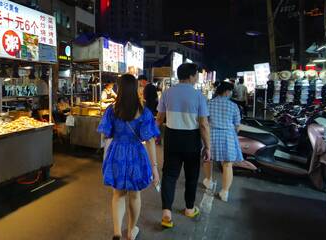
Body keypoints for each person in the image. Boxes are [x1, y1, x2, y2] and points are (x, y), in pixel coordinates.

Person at [97, 74, 160, 240]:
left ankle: (117, 232)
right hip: (136, 154)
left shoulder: (111, 110)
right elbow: (150, 140)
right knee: (134, 194)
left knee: (118, 194)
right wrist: (155, 168)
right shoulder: (143, 112)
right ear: (136, 89)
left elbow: (106, 134)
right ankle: (131, 231)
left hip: (117, 152)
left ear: (120, 88)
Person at [156, 63, 210, 228]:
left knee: (169, 175)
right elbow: (203, 124)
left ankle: (166, 212)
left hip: (172, 137)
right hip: (191, 139)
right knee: (192, 176)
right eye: (196, 75)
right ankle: (189, 208)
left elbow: (159, 119)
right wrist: (208, 146)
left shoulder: (167, 93)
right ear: (192, 76)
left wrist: (154, 136)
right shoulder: (198, 96)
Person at [202, 82, 243, 202]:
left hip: (212, 135)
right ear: (226, 92)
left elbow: (204, 122)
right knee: (227, 164)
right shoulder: (233, 106)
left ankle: (208, 181)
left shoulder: (209, 104)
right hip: (228, 135)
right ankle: (225, 192)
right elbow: (237, 126)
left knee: (208, 159)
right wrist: (232, 132)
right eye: (230, 91)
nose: (231, 93)